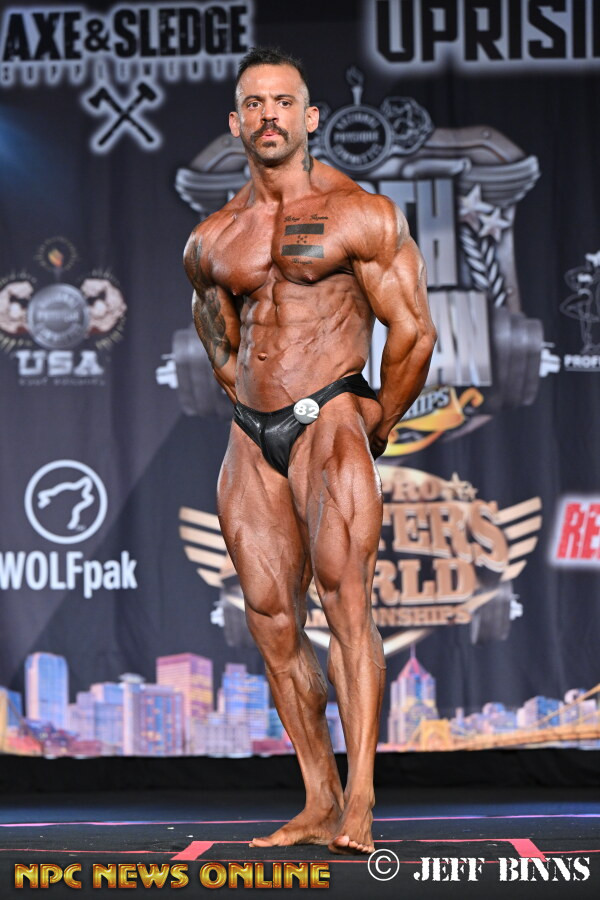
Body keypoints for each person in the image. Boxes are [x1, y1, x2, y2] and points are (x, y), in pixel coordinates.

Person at [183, 47, 436, 856]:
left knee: (345, 605)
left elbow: (414, 333)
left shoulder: (358, 213)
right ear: (236, 122)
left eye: (283, 102)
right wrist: (244, 397)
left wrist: (376, 420)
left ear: (310, 116)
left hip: (329, 418)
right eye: (255, 104)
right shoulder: (212, 237)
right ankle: (318, 797)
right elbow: (219, 337)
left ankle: (360, 800)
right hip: (250, 437)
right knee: (271, 620)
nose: (269, 116)